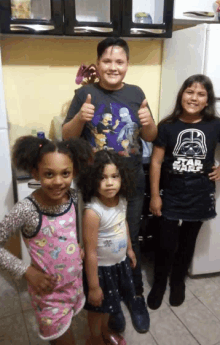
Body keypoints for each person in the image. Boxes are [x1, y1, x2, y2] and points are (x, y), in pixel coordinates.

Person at [63, 37, 157, 333]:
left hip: (131, 179)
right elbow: (67, 136)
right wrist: (80, 117)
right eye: (107, 61)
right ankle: (110, 300)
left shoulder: (136, 93)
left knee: (131, 238)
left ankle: (136, 294)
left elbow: (151, 136)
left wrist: (148, 121)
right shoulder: (85, 94)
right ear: (98, 63)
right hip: (97, 182)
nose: (113, 67)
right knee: (101, 243)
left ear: (127, 65)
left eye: (119, 62)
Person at [0, 135, 93, 344]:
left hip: (75, 286)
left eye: (65, 173)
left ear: (74, 172)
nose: (58, 181)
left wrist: (79, 245)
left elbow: (71, 227)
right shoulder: (26, 209)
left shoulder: (73, 196)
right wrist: (27, 271)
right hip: (49, 296)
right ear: (35, 173)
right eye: (49, 174)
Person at [148, 74, 220, 310]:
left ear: (207, 100)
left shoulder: (215, 125)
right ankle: (159, 283)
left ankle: (178, 282)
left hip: (200, 195)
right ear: (182, 95)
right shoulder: (168, 126)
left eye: (201, 94)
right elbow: (156, 162)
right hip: (171, 195)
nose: (194, 97)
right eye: (190, 91)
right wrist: (156, 195)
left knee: (188, 243)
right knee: (165, 243)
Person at [77, 150, 137, 345]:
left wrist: (129, 249)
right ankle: (94, 339)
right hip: (100, 271)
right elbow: (91, 252)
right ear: (93, 181)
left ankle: (104, 331)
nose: (109, 183)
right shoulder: (93, 212)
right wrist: (93, 287)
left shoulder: (122, 200)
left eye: (114, 176)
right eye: (102, 178)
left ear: (122, 177)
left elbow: (123, 224)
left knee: (109, 306)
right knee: (97, 310)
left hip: (118, 265)